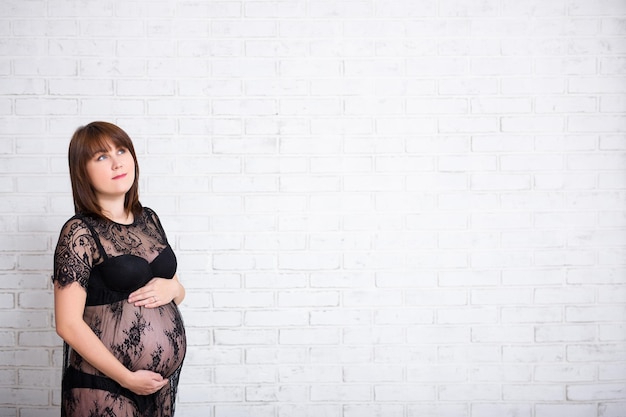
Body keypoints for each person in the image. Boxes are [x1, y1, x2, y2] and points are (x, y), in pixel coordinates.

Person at [52, 121, 186, 417]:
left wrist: (174, 287)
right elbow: (67, 323)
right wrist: (126, 378)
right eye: (101, 157)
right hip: (104, 385)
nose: (117, 162)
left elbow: (175, 290)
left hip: (157, 387)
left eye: (121, 150)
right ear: (82, 171)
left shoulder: (148, 219)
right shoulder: (79, 232)